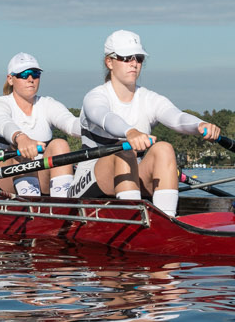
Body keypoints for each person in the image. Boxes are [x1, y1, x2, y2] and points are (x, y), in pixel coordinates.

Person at [78, 29, 222, 218]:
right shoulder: (96, 97)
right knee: (124, 151)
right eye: (126, 57)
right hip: (89, 183)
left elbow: (177, 117)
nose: (134, 64)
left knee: (163, 148)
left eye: (138, 58)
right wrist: (130, 132)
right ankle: (133, 220)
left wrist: (200, 125)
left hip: (131, 178)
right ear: (109, 62)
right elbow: (105, 118)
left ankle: (167, 220)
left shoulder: (148, 98)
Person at [0, 52, 87, 198]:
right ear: (10, 79)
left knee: (60, 144)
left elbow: (71, 124)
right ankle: (33, 207)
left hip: (37, 176)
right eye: (24, 74)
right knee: (21, 152)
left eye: (35, 74)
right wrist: (21, 138)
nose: (31, 79)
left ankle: (62, 207)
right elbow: (4, 124)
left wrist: (100, 126)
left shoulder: (47, 104)